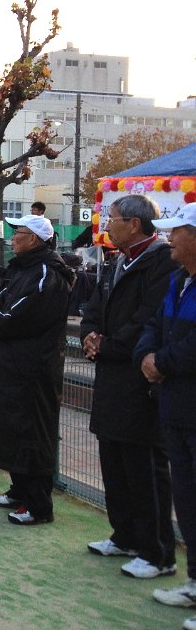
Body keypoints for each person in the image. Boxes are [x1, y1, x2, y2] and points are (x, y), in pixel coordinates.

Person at [0, 213, 72, 525]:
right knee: (10, 426)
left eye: (18, 232)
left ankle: (38, 504)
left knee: (32, 431)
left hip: (34, 368)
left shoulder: (46, 273)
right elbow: (2, 303)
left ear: (34, 239)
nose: (13, 237)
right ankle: (19, 489)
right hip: (12, 362)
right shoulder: (25, 268)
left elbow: (21, 317)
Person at [79, 194, 176, 578]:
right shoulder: (117, 260)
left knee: (144, 467)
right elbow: (93, 308)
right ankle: (124, 535)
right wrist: (89, 335)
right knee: (113, 459)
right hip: (111, 377)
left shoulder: (161, 262)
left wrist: (108, 345)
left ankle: (156, 552)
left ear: (134, 224)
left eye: (113, 218)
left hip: (138, 379)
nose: (107, 225)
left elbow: (148, 318)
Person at [136, 203, 196, 620]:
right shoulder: (178, 281)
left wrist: (160, 361)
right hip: (176, 410)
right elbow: (153, 327)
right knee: (187, 500)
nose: (169, 238)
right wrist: (147, 356)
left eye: (177, 231)